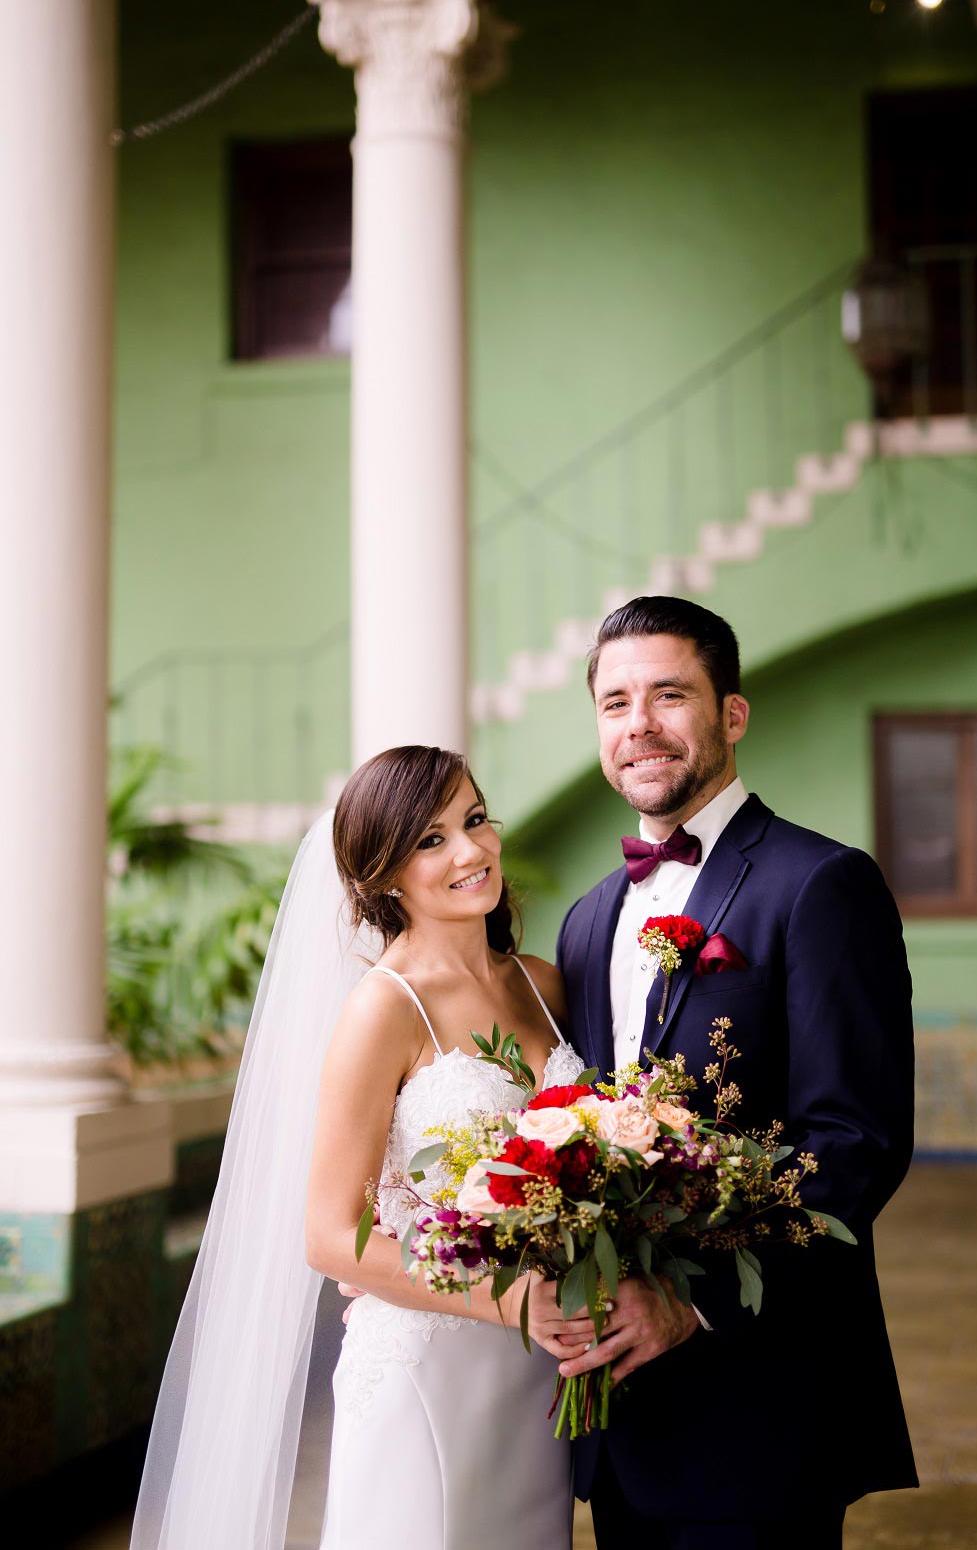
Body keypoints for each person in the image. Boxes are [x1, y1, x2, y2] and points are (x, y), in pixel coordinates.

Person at [131, 745, 583, 1550]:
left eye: (474, 820)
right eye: (431, 840)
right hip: (429, 1368)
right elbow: (331, 1237)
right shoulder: (383, 1010)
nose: (471, 851)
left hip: (534, 1373)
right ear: (384, 876)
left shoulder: (543, 986)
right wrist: (504, 1299)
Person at [543, 595, 918, 1550]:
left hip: (761, 1395)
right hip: (615, 1410)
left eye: (670, 694)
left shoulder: (822, 882)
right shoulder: (589, 919)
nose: (640, 725)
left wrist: (693, 1301)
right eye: (616, 702)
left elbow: (857, 1140)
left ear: (732, 715)